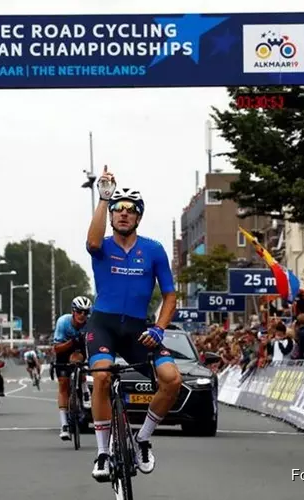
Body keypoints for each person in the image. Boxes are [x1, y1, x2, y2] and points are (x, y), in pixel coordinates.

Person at [85, 166, 181, 482]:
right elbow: (91, 241)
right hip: (104, 325)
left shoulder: (153, 250)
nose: (124, 214)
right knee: (100, 377)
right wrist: (104, 198)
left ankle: (142, 439)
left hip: (139, 329)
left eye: (131, 210)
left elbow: (170, 294)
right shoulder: (103, 246)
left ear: (138, 217)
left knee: (171, 378)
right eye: (118, 210)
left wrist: (159, 328)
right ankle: (101, 452)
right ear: (111, 215)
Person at [52, 295, 92, 440]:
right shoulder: (63, 322)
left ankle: (85, 389)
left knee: (77, 360)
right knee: (63, 385)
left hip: (81, 350)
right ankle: (64, 426)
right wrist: (71, 342)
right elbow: (56, 349)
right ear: (73, 311)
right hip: (64, 348)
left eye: (86, 312)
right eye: (79, 311)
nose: (82, 315)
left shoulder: (90, 324)